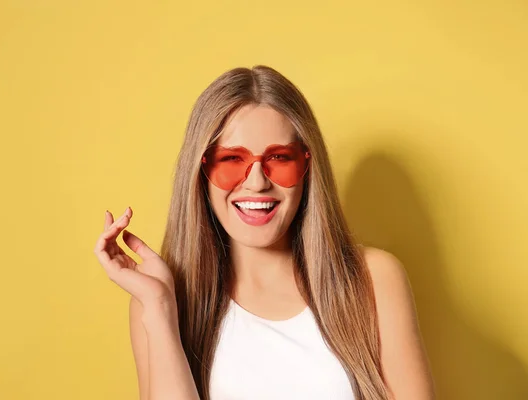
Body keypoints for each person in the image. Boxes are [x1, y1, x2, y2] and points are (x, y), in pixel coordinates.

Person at [93, 65, 435, 400]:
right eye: (231, 160)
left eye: (279, 158)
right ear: (200, 172)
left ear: (307, 167)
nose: (256, 182)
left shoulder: (372, 280)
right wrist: (159, 307)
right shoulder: (158, 303)